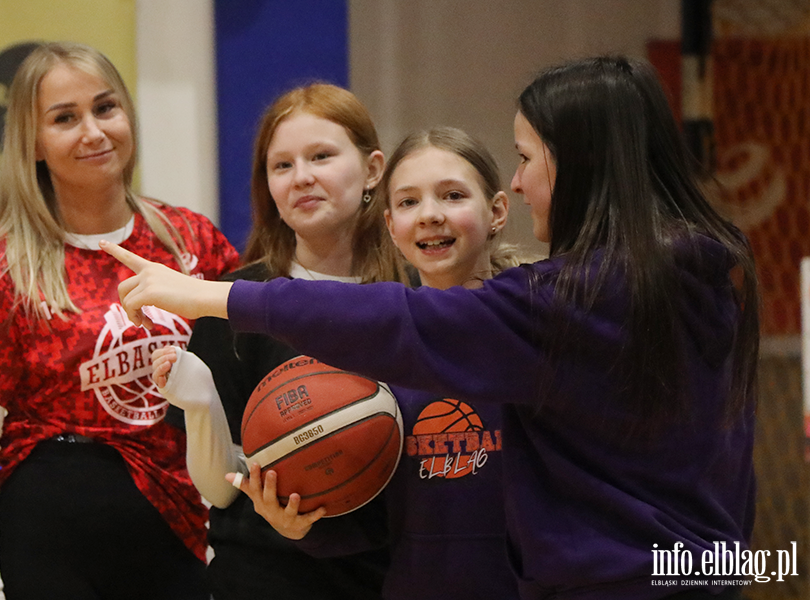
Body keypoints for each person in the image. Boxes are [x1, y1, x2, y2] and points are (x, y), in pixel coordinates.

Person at [104, 55, 759, 600]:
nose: (524, 180)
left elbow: (409, 322)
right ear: (388, 218)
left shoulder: (573, 301)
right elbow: (393, 512)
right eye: (410, 202)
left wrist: (213, 295)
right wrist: (311, 523)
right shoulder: (675, 274)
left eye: (526, 158)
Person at [0, 41, 239, 600]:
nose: (94, 132)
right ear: (33, 142)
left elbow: (244, 400)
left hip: (182, 530)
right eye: (64, 118)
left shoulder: (194, 240)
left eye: (106, 108)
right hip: (52, 541)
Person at [231, 126, 521, 599]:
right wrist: (301, 520)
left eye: (451, 195)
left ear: (497, 211)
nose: (429, 215)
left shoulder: (533, 329)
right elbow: (370, 520)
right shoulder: (375, 359)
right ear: (390, 225)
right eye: (408, 203)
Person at [153, 83, 405, 600]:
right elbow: (220, 491)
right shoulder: (232, 303)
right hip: (263, 576)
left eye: (321, 156)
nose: (302, 178)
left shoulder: (418, 296)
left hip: (392, 572)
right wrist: (200, 403)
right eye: (282, 165)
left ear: (373, 169)